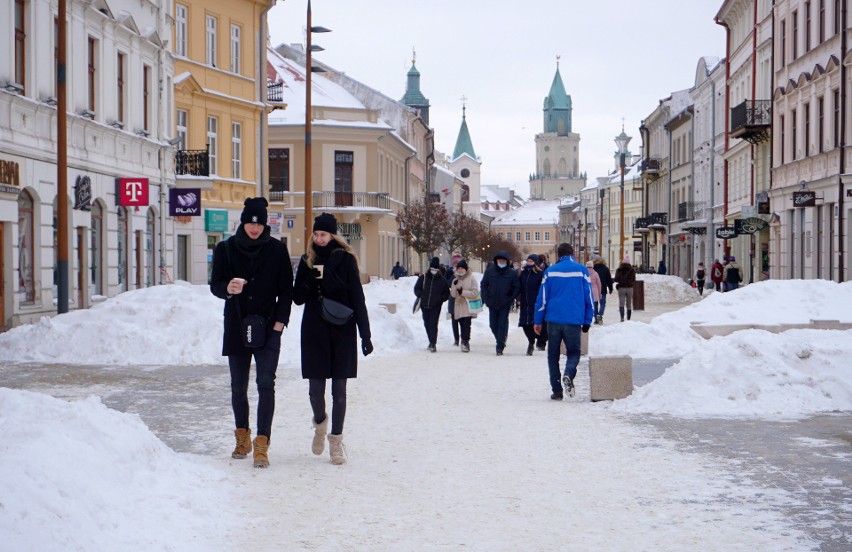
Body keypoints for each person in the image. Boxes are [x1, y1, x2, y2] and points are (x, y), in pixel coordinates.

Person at [209, 197, 293, 468]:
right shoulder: (226, 249)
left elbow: (286, 290)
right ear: (243, 223)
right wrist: (227, 288)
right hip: (236, 324)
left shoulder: (277, 250)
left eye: (258, 224)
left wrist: (280, 322)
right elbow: (215, 284)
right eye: (250, 224)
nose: (254, 229)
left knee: (266, 385)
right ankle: (241, 437)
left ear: (264, 224)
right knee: (238, 386)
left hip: (268, 327)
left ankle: (262, 443)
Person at [293, 213, 373, 465]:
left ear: (333, 235)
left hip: (342, 329)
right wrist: (311, 278)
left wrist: (365, 334)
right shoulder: (308, 260)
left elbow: (356, 297)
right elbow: (297, 297)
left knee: (339, 391)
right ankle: (320, 424)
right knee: (316, 391)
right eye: (316, 234)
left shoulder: (346, 260)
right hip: (315, 330)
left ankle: (336, 442)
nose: (319, 239)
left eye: (323, 234)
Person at [533, 243, 593, 400]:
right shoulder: (582, 270)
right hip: (573, 320)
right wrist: (587, 320)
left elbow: (542, 299)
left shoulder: (549, 272)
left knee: (552, 355)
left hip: (553, 320)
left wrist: (537, 321)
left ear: (558, 255)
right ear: (572, 253)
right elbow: (589, 298)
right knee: (573, 352)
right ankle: (569, 373)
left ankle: (557, 390)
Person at [479, 251, 521, 355]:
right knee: (493, 325)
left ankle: (500, 345)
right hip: (492, 302)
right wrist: (486, 298)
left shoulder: (511, 273)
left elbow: (516, 287)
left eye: (503, 261)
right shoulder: (490, 271)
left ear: (507, 262)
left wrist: (510, 298)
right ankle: (501, 338)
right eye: (499, 261)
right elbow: (484, 284)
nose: (501, 262)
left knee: (502, 323)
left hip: (505, 303)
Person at [414, 257, 450, 352]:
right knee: (427, 323)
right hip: (424, 305)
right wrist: (421, 295)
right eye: (432, 269)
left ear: (438, 269)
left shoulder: (442, 281)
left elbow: (447, 293)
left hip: (436, 306)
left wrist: (440, 300)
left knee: (433, 324)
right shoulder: (424, 277)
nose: (433, 271)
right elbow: (416, 288)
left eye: (435, 269)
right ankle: (430, 340)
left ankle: (433, 343)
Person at [518, 254, 547, 355]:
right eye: (528, 261)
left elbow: (543, 289)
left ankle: (531, 343)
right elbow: (519, 286)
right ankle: (531, 340)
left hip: (535, 302)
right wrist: (517, 297)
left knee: (533, 322)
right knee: (525, 324)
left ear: (535, 262)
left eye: (531, 261)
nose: (529, 263)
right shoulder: (523, 273)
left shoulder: (540, 274)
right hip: (524, 302)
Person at [449, 259, 479, 353]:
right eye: (458, 268)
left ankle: (465, 342)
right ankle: (463, 341)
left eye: (462, 268)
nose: (460, 270)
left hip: (467, 306)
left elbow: (475, 292)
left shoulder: (471, 278)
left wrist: (463, 292)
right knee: (460, 324)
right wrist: (454, 287)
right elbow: (453, 295)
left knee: (466, 325)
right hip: (458, 306)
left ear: (465, 269)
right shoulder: (455, 279)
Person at [445, 253, 463, 346]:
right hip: (453, 299)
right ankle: (456, 339)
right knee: (454, 320)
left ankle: (464, 337)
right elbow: (446, 283)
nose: (456, 265)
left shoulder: (464, 272)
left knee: (463, 320)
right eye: (455, 263)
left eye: (458, 263)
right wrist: (454, 276)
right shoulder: (449, 272)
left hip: (462, 299)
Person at [613, 255, 636, 322]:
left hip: (621, 288)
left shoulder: (619, 269)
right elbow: (633, 279)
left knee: (621, 303)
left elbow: (616, 279)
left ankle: (622, 318)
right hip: (630, 288)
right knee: (629, 304)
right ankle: (628, 319)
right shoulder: (632, 270)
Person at [592, 255, 613, 325]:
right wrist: (610, 288)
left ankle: (596, 318)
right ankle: (600, 315)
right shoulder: (605, 268)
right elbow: (609, 280)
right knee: (602, 303)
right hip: (602, 289)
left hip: (594, 289)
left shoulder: (592, 269)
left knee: (595, 304)